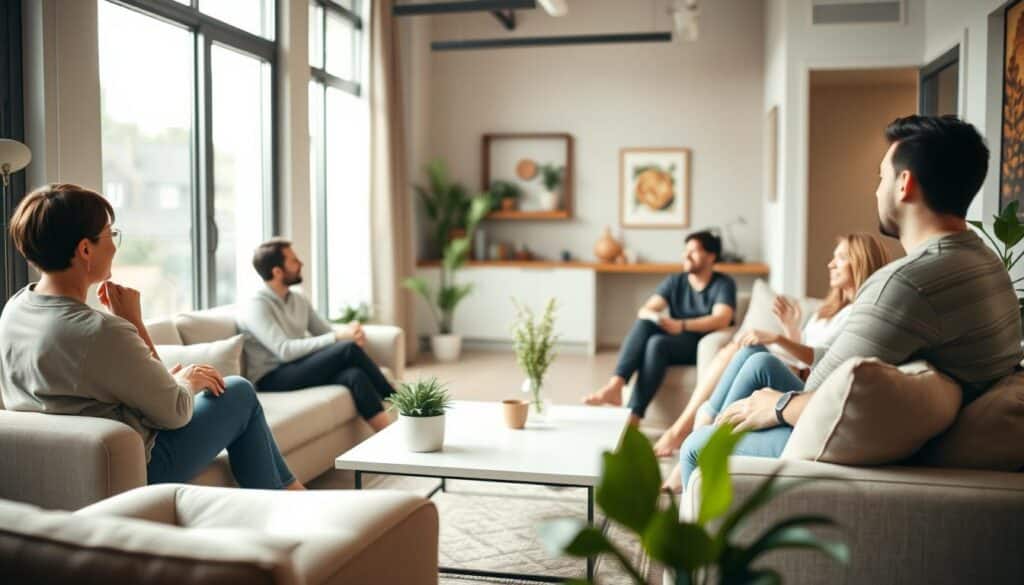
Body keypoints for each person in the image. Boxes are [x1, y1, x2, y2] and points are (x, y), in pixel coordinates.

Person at [677, 115, 1024, 489]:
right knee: (758, 362)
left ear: (904, 185)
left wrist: (773, 405)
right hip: (900, 423)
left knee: (697, 448)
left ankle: (693, 532)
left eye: (881, 178)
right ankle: (711, 426)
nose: (877, 191)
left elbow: (821, 395)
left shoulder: (905, 282)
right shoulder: (986, 263)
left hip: (872, 450)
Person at [0, 184, 301, 490]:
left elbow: (79, 395)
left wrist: (169, 383)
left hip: (64, 463)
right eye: (110, 235)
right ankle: (284, 498)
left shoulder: (15, 309)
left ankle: (289, 492)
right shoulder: (101, 331)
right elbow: (176, 413)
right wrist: (179, 371)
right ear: (85, 250)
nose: (115, 247)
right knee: (238, 391)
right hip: (138, 465)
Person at [652, 233, 892, 460]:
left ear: (861, 262)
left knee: (754, 356)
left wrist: (777, 339)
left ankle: (698, 433)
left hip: (809, 386)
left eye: (841, 258)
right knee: (740, 350)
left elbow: (821, 361)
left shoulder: (858, 315)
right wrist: (791, 329)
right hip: (799, 372)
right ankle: (699, 432)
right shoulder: (828, 311)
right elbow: (804, 353)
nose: (830, 264)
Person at [237, 238, 395, 431]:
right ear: (277, 272)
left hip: (299, 366)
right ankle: (402, 402)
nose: (300, 263)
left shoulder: (297, 298)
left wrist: (349, 331)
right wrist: (340, 338)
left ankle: (389, 433)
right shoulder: (256, 305)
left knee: (355, 376)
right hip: (272, 377)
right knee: (348, 349)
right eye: (294, 261)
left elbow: (326, 333)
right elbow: (284, 350)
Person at [584, 230, 737, 426]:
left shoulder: (723, 283)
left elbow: (721, 319)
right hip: (675, 338)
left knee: (657, 344)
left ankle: (634, 414)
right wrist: (657, 318)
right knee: (646, 324)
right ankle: (616, 385)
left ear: (711, 256)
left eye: (694, 251)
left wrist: (681, 325)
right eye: (685, 250)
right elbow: (645, 309)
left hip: (700, 342)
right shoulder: (676, 281)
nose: (686, 255)